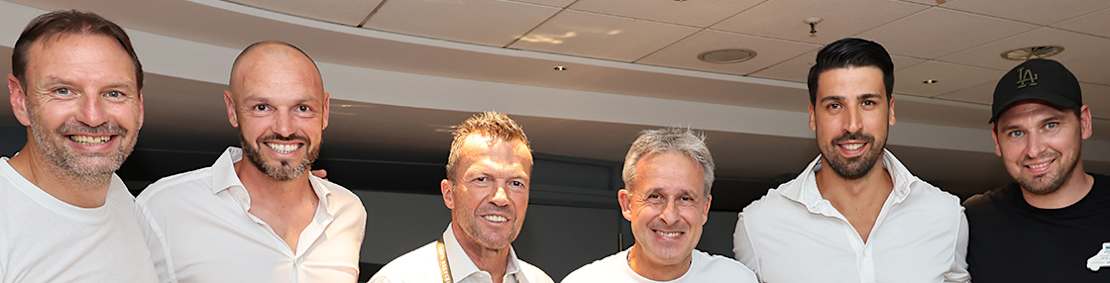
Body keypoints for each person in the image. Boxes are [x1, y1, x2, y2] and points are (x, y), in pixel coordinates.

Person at [732, 38, 970, 282]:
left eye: (867, 103)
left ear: (891, 110)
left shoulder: (945, 215)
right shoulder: (760, 225)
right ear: (813, 116)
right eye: (835, 106)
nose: (852, 124)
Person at [137, 41, 367, 282]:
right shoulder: (164, 207)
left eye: (302, 107)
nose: (285, 129)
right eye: (262, 107)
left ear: (325, 111)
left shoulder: (348, 212)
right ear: (232, 110)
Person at [0, 10, 158, 282]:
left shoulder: (119, 197)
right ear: (20, 100)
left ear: (140, 107)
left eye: (114, 93)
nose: (93, 117)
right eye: (64, 91)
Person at [963, 58, 1109, 282]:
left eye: (1050, 125)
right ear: (996, 140)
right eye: (1016, 133)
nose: (1034, 150)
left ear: (1084, 123)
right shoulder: (972, 223)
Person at [369, 112, 552, 283]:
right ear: (449, 194)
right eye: (482, 179)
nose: (500, 198)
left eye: (516, 183)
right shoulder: (400, 279)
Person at [562, 128, 757, 283]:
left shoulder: (736, 278)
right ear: (627, 204)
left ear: (705, 208)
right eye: (655, 196)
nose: (670, 216)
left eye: (685, 198)